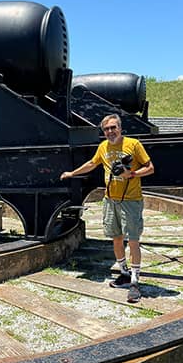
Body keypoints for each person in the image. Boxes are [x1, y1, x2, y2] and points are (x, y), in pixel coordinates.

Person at [60, 114, 154, 303]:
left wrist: (132, 174)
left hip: (131, 200)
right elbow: (92, 163)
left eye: (113, 127)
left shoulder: (133, 144)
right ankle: (124, 273)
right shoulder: (103, 147)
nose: (110, 132)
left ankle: (135, 280)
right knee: (116, 238)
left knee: (133, 240)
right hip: (110, 200)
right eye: (106, 129)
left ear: (120, 128)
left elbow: (150, 168)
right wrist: (72, 173)